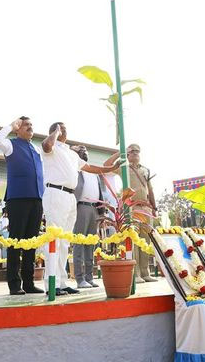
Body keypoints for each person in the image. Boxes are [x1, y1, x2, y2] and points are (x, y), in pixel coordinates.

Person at [41, 122, 121, 296]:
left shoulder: (71, 153)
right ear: (54, 131)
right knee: (54, 240)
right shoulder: (51, 147)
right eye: (60, 128)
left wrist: (111, 168)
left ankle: (61, 282)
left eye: (65, 128)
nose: (64, 130)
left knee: (64, 242)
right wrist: (55, 132)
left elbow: (90, 168)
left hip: (70, 197)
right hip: (55, 192)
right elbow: (46, 145)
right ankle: (51, 284)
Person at [0, 117, 45, 295]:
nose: (30, 127)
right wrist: (10, 126)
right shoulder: (10, 144)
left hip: (36, 199)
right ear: (17, 129)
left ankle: (29, 283)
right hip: (18, 199)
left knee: (31, 243)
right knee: (15, 241)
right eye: (26, 125)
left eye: (32, 125)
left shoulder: (36, 148)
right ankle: (14, 284)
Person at [105, 143, 157, 283]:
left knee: (145, 240)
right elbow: (106, 165)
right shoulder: (124, 168)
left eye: (137, 152)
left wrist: (154, 207)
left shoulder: (146, 170)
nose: (135, 154)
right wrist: (120, 153)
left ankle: (145, 272)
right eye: (132, 151)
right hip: (131, 208)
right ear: (128, 154)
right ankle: (136, 273)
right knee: (133, 240)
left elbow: (150, 189)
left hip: (145, 208)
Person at [71, 144, 107, 289]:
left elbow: (100, 193)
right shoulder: (75, 169)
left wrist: (102, 212)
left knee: (91, 244)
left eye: (85, 151)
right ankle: (79, 279)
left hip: (94, 210)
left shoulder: (94, 172)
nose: (84, 153)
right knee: (79, 243)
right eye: (80, 151)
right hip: (81, 207)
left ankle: (89, 277)